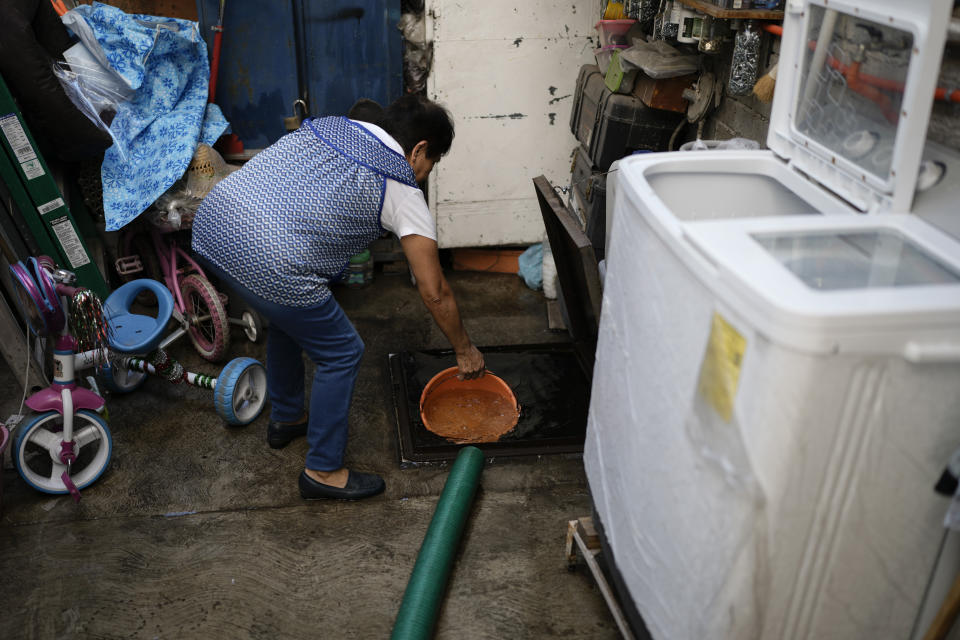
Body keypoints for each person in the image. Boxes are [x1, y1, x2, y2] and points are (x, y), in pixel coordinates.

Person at [191, 94, 485, 500]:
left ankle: (288, 419)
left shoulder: (328, 125)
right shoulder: (401, 188)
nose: (425, 173)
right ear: (419, 150)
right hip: (269, 261)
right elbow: (435, 292)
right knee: (343, 351)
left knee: (289, 319)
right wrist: (464, 349)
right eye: (431, 163)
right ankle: (323, 471)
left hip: (211, 226)